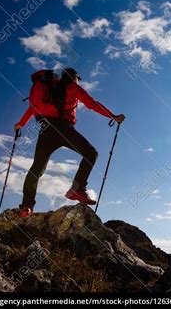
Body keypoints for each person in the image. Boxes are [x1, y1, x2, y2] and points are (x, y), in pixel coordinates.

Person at [15, 68, 125, 218]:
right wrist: (113, 116)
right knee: (90, 153)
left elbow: (31, 108)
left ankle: (26, 207)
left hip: (45, 130)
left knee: (37, 169)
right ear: (74, 78)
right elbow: (92, 104)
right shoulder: (72, 87)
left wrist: (20, 125)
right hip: (63, 129)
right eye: (78, 79)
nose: (78, 82)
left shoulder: (49, 90)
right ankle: (77, 189)